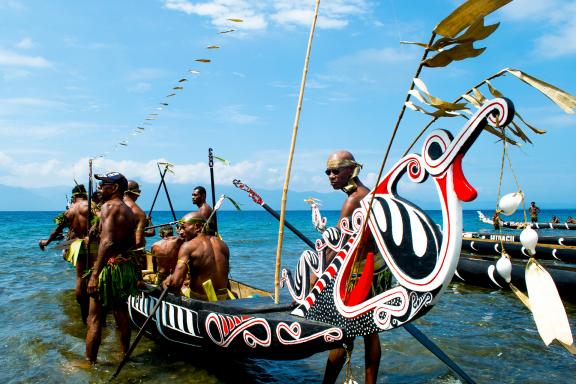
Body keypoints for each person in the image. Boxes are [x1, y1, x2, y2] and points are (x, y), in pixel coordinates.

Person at [322, 150, 388, 384]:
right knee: (370, 331)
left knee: (343, 331)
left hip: (361, 274)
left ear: (351, 169)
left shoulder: (352, 200)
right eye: (328, 171)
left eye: (336, 170)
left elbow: (335, 247)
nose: (331, 175)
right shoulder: (367, 194)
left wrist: (315, 276)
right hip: (378, 269)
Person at [85, 172, 139, 364]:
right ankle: (125, 355)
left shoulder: (109, 206)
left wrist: (94, 275)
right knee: (121, 313)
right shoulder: (128, 210)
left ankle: (90, 363)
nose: (100, 187)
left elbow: (107, 243)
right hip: (124, 266)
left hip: (110, 267)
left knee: (94, 318)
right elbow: (132, 243)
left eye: (104, 184)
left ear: (115, 188)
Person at [39, 184, 93, 323]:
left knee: (80, 278)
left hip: (76, 245)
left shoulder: (69, 212)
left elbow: (56, 231)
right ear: (85, 195)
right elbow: (103, 221)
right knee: (95, 276)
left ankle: (83, 314)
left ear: (74, 196)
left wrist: (46, 242)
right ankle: (96, 312)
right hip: (91, 244)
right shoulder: (91, 205)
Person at [162, 212, 230, 301]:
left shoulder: (188, 246)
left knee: (166, 283)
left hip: (201, 298)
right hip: (223, 297)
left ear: (197, 227)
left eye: (184, 227)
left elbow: (176, 284)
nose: (180, 232)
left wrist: (167, 280)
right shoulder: (223, 244)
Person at [123, 180, 155, 270]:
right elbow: (138, 242)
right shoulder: (138, 212)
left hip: (113, 255)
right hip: (131, 256)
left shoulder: (112, 206)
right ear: (136, 193)